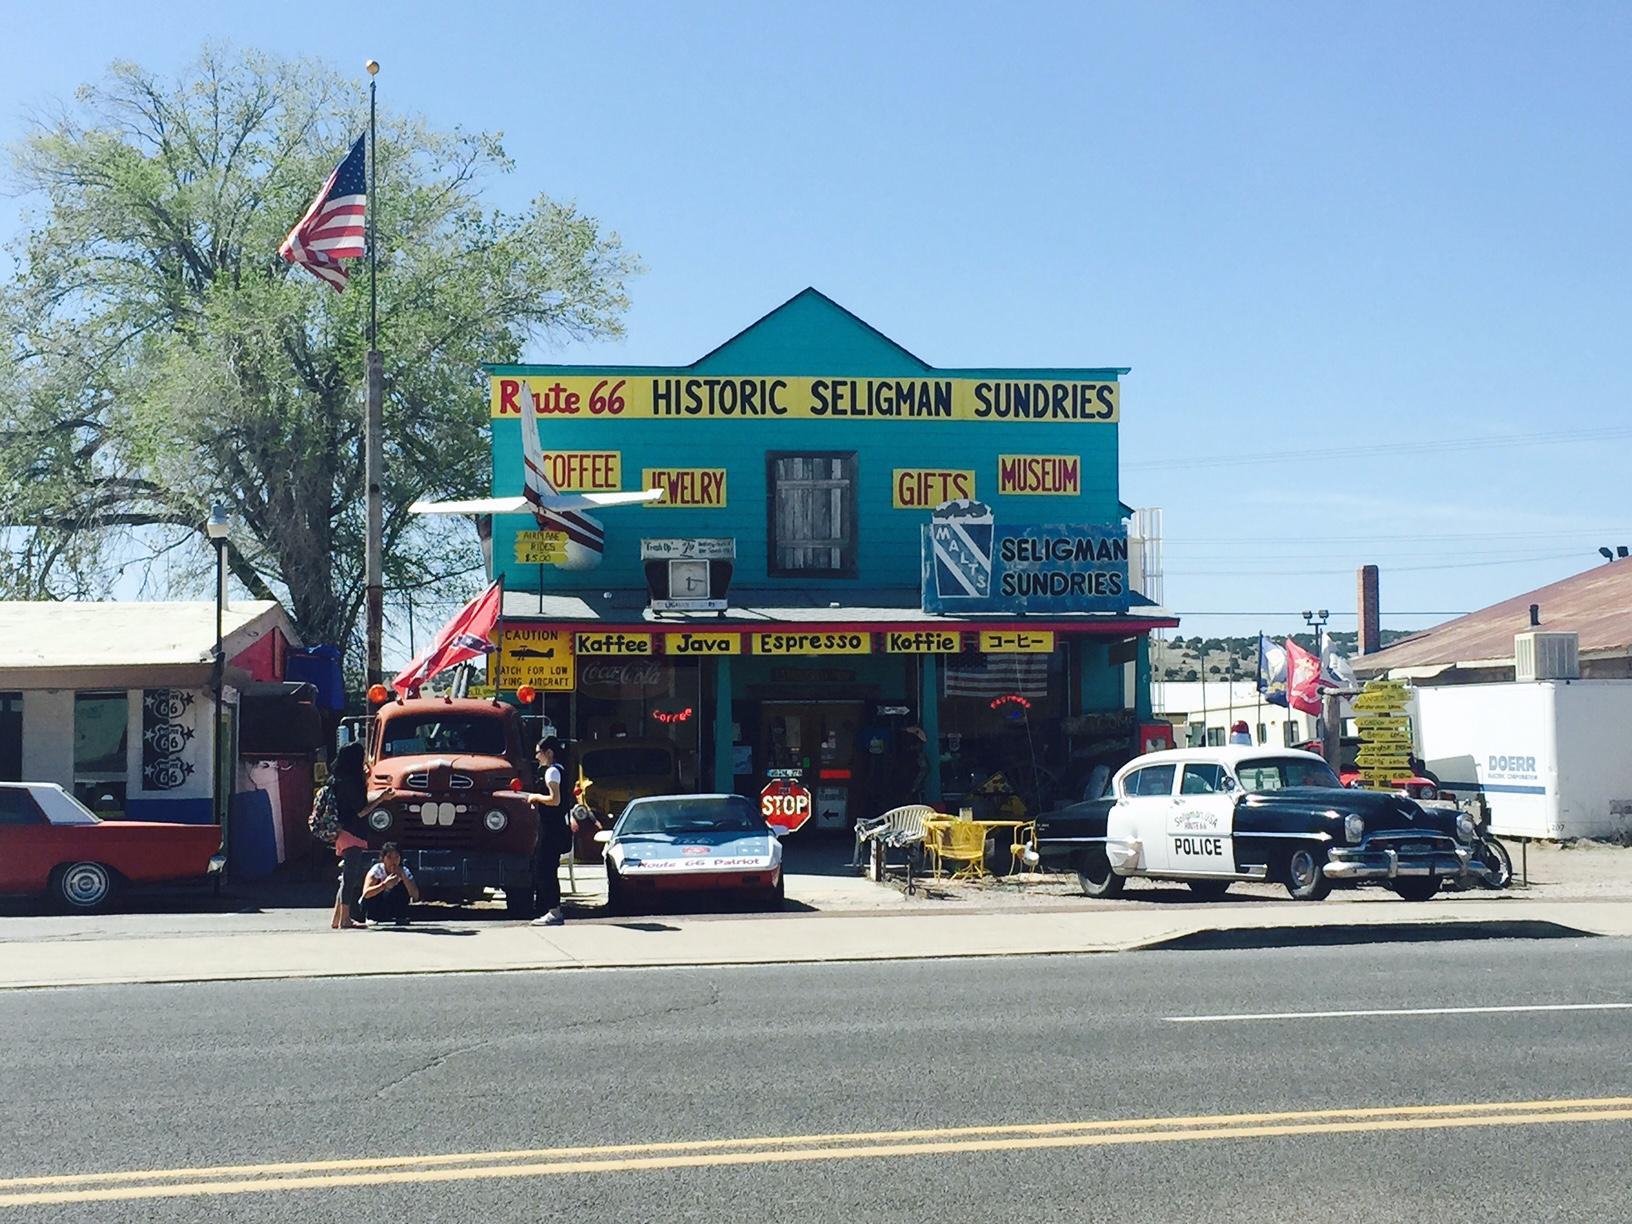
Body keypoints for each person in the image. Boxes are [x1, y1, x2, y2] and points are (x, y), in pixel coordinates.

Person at [529, 737, 571, 926]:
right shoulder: (560, 770)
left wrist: (535, 797)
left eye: (539, 752)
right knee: (545, 867)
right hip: (555, 826)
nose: (537, 757)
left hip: (551, 828)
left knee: (544, 868)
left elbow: (555, 800)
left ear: (549, 753)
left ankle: (554, 911)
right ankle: (550, 909)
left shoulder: (552, 772)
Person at [329, 741, 370, 930]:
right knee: (350, 877)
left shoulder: (338, 779)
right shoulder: (352, 782)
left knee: (346, 876)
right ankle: (345, 919)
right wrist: (382, 798)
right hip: (352, 831)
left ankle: (337, 918)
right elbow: (361, 810)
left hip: (342, 830)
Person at [358, 842, 420, 926]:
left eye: (396, 857)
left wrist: (404, 877)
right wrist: (384, 885)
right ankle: (371, 917)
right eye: (389, 857)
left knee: (402, 887)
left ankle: (400, 916)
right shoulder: (377, 870)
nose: (393, 860)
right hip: (376, 903)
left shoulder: (404, 871)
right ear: (383, 859)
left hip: (392, 902)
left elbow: (415, 896)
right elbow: (366, 894)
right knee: (375, 891)